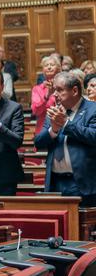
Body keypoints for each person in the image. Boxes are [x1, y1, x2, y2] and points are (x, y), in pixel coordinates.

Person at [34, 72, 96, 207]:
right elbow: (38, 142)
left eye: (59, 90)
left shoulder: (93, 109)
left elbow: (94, 136)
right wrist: (53, 130)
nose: (54, 94)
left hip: (82, 182)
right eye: (54, 89)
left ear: (74, 90)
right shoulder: (54, 111)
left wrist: (67, 124)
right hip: (56, 182)